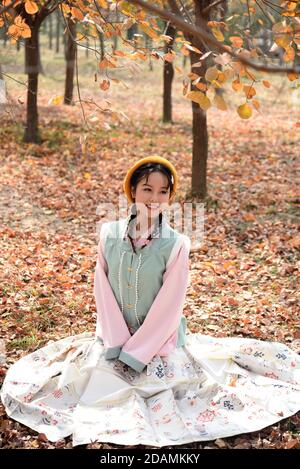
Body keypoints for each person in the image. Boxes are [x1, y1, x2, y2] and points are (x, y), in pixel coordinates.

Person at [1, 156, 299, 447]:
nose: (154, 197)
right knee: (87, 389)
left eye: (163, 191)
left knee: (165, 391)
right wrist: (116, 342)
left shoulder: (176, 244)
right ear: (132, 191)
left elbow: (169, 307)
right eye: (147, 189)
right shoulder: (109, 235)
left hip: (160, 343)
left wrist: (136, 353)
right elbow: (102, 291)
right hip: (112, 337)